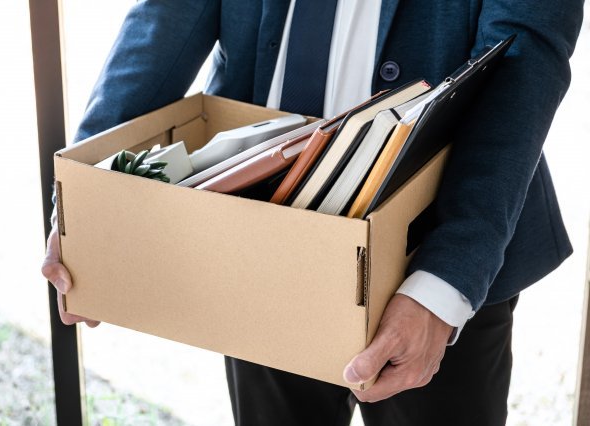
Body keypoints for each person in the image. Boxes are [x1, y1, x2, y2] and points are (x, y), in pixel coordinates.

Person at [42, 1, 584, 424]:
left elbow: (523, 56)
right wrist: (86, 200)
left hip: (438, 243)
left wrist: (443, 284)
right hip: (256, 226)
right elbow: (167, 16)